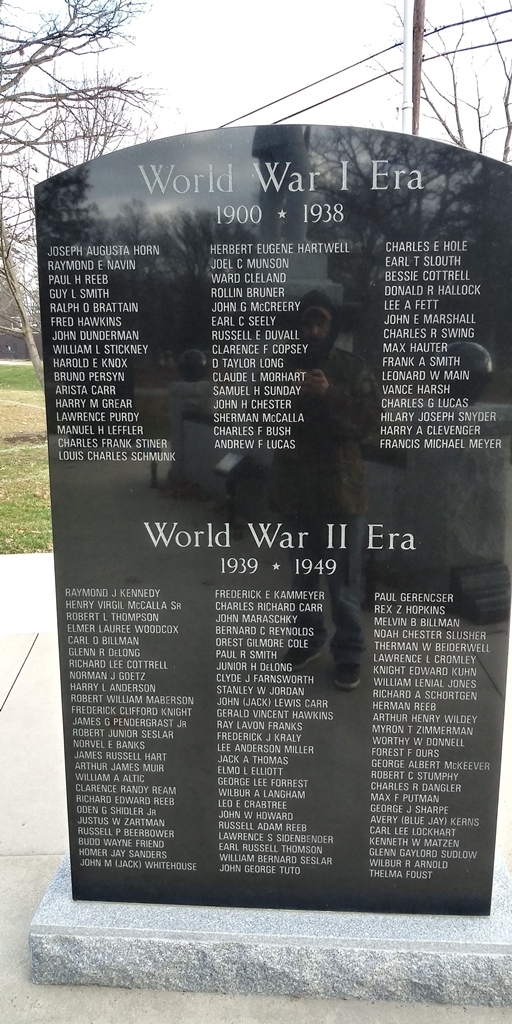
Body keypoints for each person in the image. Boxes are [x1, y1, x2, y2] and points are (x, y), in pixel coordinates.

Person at [268, 290, 380, 690]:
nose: (313, 330)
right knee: (302, 580)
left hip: (341, 498)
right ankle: (306, 640)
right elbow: (260, 421)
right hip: (297, 495)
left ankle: (349, 654)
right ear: (298, 327)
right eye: (306, 323)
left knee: (344, 586)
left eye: (321, 323)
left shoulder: (351, 368)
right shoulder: (280, 368)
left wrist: (329, 394)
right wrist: (287, 393)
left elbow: (368, 424)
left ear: (332, 326)